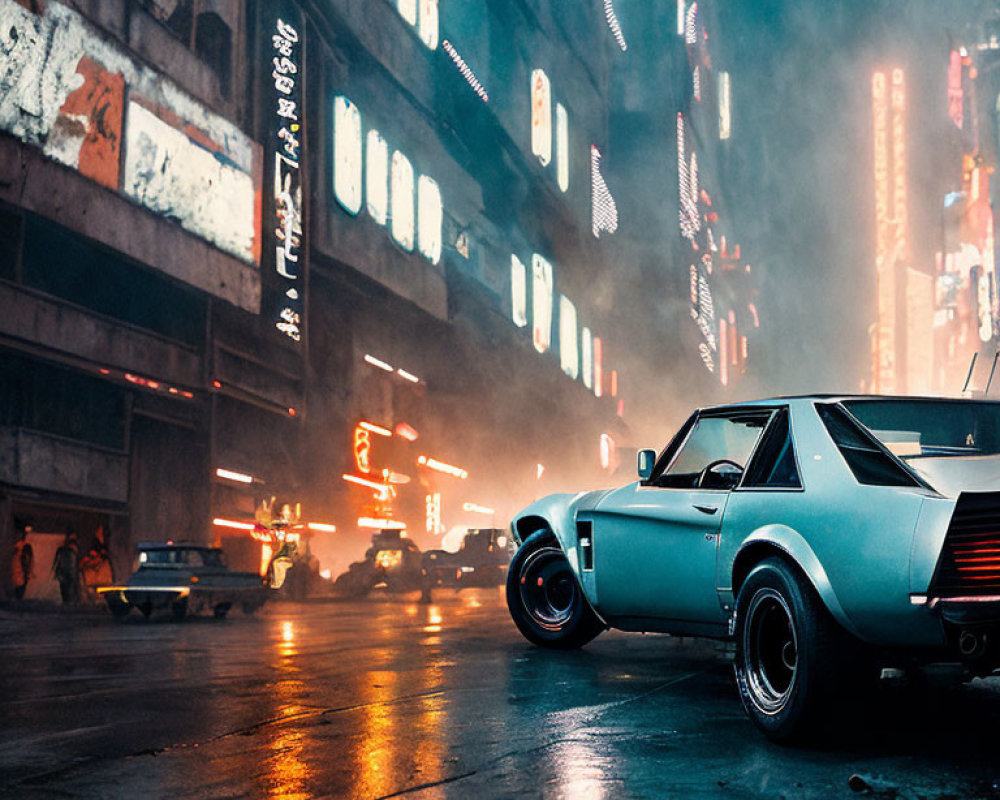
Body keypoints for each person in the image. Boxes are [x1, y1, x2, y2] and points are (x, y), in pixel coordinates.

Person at [52, 531, 80, 605]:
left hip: (65, 572)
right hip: (67, 572)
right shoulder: (69, 550)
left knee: (66, 589)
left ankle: (67, 602)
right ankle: (67, 602)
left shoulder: (63, 550)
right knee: (67, 588)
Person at [11, 524, 34, 600]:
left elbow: (28, 560)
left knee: (19, 586)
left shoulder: (22, 546)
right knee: (19, 586)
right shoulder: (19, 546)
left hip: (21, 572)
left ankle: (18, 598)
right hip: (19, 572)